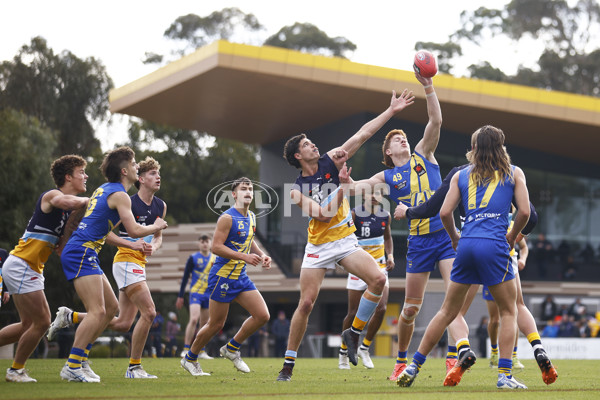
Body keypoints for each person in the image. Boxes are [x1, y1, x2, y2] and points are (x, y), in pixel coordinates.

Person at [276, 88, 415, 382]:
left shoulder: (330, 160)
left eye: (312, 142)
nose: (314, 145)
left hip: (345, 241)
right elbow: (323, 214)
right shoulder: (296, 190)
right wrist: (342, 186)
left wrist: (391, 111)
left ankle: (353, 333)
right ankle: (288, 364)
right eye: (307, 144)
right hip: (318, 247)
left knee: (378, 280)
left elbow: (363, 134)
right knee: (306, 303)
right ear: (298, 156)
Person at [393, 159, 557, 386]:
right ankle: (511, 370)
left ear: (473, 150)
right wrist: (512, 238)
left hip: (467, 245)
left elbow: (441, 211)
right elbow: (529, 214)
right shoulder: (512, 173)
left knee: (449, 312)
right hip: (498, 249)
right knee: (512, 309)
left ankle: (418, 365)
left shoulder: (460, 174)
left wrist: (452, 238)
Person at [351, 71, 471, 380]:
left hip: (446, 238)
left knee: (453, 303)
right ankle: (400, 361)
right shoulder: (387, 177)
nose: (401, 139)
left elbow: (436, 122)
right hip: (418, 244)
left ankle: (456, 356)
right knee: (409, 309)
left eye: (402, 137)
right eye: (394, 140)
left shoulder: (424, 154)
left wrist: (429, 87)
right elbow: (356, 186)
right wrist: (344, 180)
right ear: (388, 153)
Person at [47, 156, 167, 379]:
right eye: (133, 164)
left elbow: (83, 218)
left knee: (111, 311)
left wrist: (64, 240)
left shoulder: (105, 189)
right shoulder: (120, 195)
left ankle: (80, 359)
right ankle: (72, 366)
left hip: (85, 251)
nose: (136, 167)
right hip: (82, 250)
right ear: (123, 171)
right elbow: (132, 230)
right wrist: (156, 226)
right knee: (98, 311)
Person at [0, 155, 89, 383]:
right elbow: (67, 202)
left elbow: (65, 240)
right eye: (81, 172)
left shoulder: (71, 211)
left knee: (27, 325)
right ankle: (15, 371)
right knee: (41, 321)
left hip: (30, 268)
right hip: (21, 264)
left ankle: (16, 371)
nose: (86, 176)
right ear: (68, 177)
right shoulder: (53, 195)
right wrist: (95, 200)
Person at [181, 177, 272, 377]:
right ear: (234, 194)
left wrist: (262, 255)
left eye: (250, 189)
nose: (248, 192)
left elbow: (250, 240)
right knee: (215, 324)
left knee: (262, 315)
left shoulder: (252, 217)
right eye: (243, 189)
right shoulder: (227, 218)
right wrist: (244, 257)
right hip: (222, 277)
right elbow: (216, 247)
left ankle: (231, 348)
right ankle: (190, 358)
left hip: (240, 276)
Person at [338, 190, 394, 369]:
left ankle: (365, 347)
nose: (373, 196)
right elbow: (344, 236)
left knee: (382, 307)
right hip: (358, 268)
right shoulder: (354, 214)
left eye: (377, 193)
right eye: (370, 193)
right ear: (363, 196)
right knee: (353, 312)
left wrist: (390, 255)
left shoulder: (385, 215)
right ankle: (344, 351)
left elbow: (388, 237)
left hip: (379, 267)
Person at [176, 234, 216, 359]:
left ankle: (201, 350)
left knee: (205, 324)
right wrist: (180, 295)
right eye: (202, 241)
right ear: (199, 243)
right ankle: (186, 348)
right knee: (194, 319)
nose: (205, 243)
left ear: (210, 243)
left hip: (208, 294)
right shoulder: (193, 258)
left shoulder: (215, 259)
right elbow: (185, 277)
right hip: (195, 293)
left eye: (207, 241)